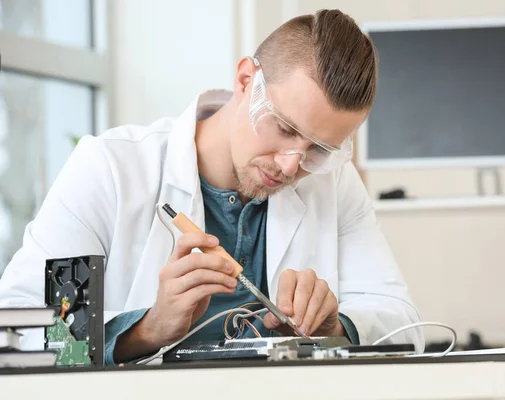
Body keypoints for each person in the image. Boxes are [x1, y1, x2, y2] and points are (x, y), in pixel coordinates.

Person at [0, 9, 423, 364]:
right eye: (284, 129)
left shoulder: (332, 182)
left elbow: (403, 322)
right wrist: (148, 329)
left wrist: (336, 327)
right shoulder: (111, 168)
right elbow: (21, 326)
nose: (292, 164)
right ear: (245, 80)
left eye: (319, 148)